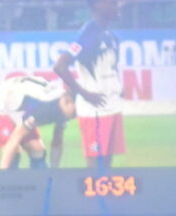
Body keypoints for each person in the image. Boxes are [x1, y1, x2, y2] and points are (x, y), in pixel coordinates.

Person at [51, 0, 125, 169]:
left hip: (112, 106)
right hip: (95, 110)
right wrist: (84, 93)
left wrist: (117, 86)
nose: (118, 5)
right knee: (95, 161)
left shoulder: (110, 35)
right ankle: (92, 195)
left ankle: (104, 194)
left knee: (107, 161)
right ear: (98, 5)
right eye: (113, 3)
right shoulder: (88, 33)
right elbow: (60, 66)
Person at [0, 72, 72, 170]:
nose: (75, 115)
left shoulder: (64, 104)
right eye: (75, 111)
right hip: (0, 103)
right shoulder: (44, 108)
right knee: (14, 152)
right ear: (67, 101)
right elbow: (14, 139)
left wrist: (54, 170)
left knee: (38, 150)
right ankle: (8, 183)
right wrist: (2, 176)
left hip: (20, 105)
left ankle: (39, 183)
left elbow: (57, 139)